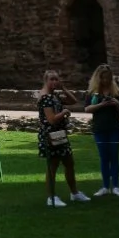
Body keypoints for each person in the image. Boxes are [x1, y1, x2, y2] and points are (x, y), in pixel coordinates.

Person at [36, 69, 89, 207]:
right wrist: (64, 112)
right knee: (52, 166)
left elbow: (73, 100)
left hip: (60, 134)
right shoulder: (46, 97)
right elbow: (51, 119)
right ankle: (51, 197)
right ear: (46, 80)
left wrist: (64, 88)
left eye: (56, 79)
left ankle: (75, 193)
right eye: (52, 79)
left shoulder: (55, 95)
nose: (54, 82)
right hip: (50, 135)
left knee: (69, 163)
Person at [85, 63, 119, 197]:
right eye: (103, 78)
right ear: (98, 78)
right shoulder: (92, 93)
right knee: (104, 157)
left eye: (108, 78)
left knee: (114, 157)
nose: (105, 81)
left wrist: (116, 103)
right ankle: (104, 186)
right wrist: (101, 104)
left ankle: (116, 186)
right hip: (99, 128)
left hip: (114, 128)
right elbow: (87, 108)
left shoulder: (117, 92)